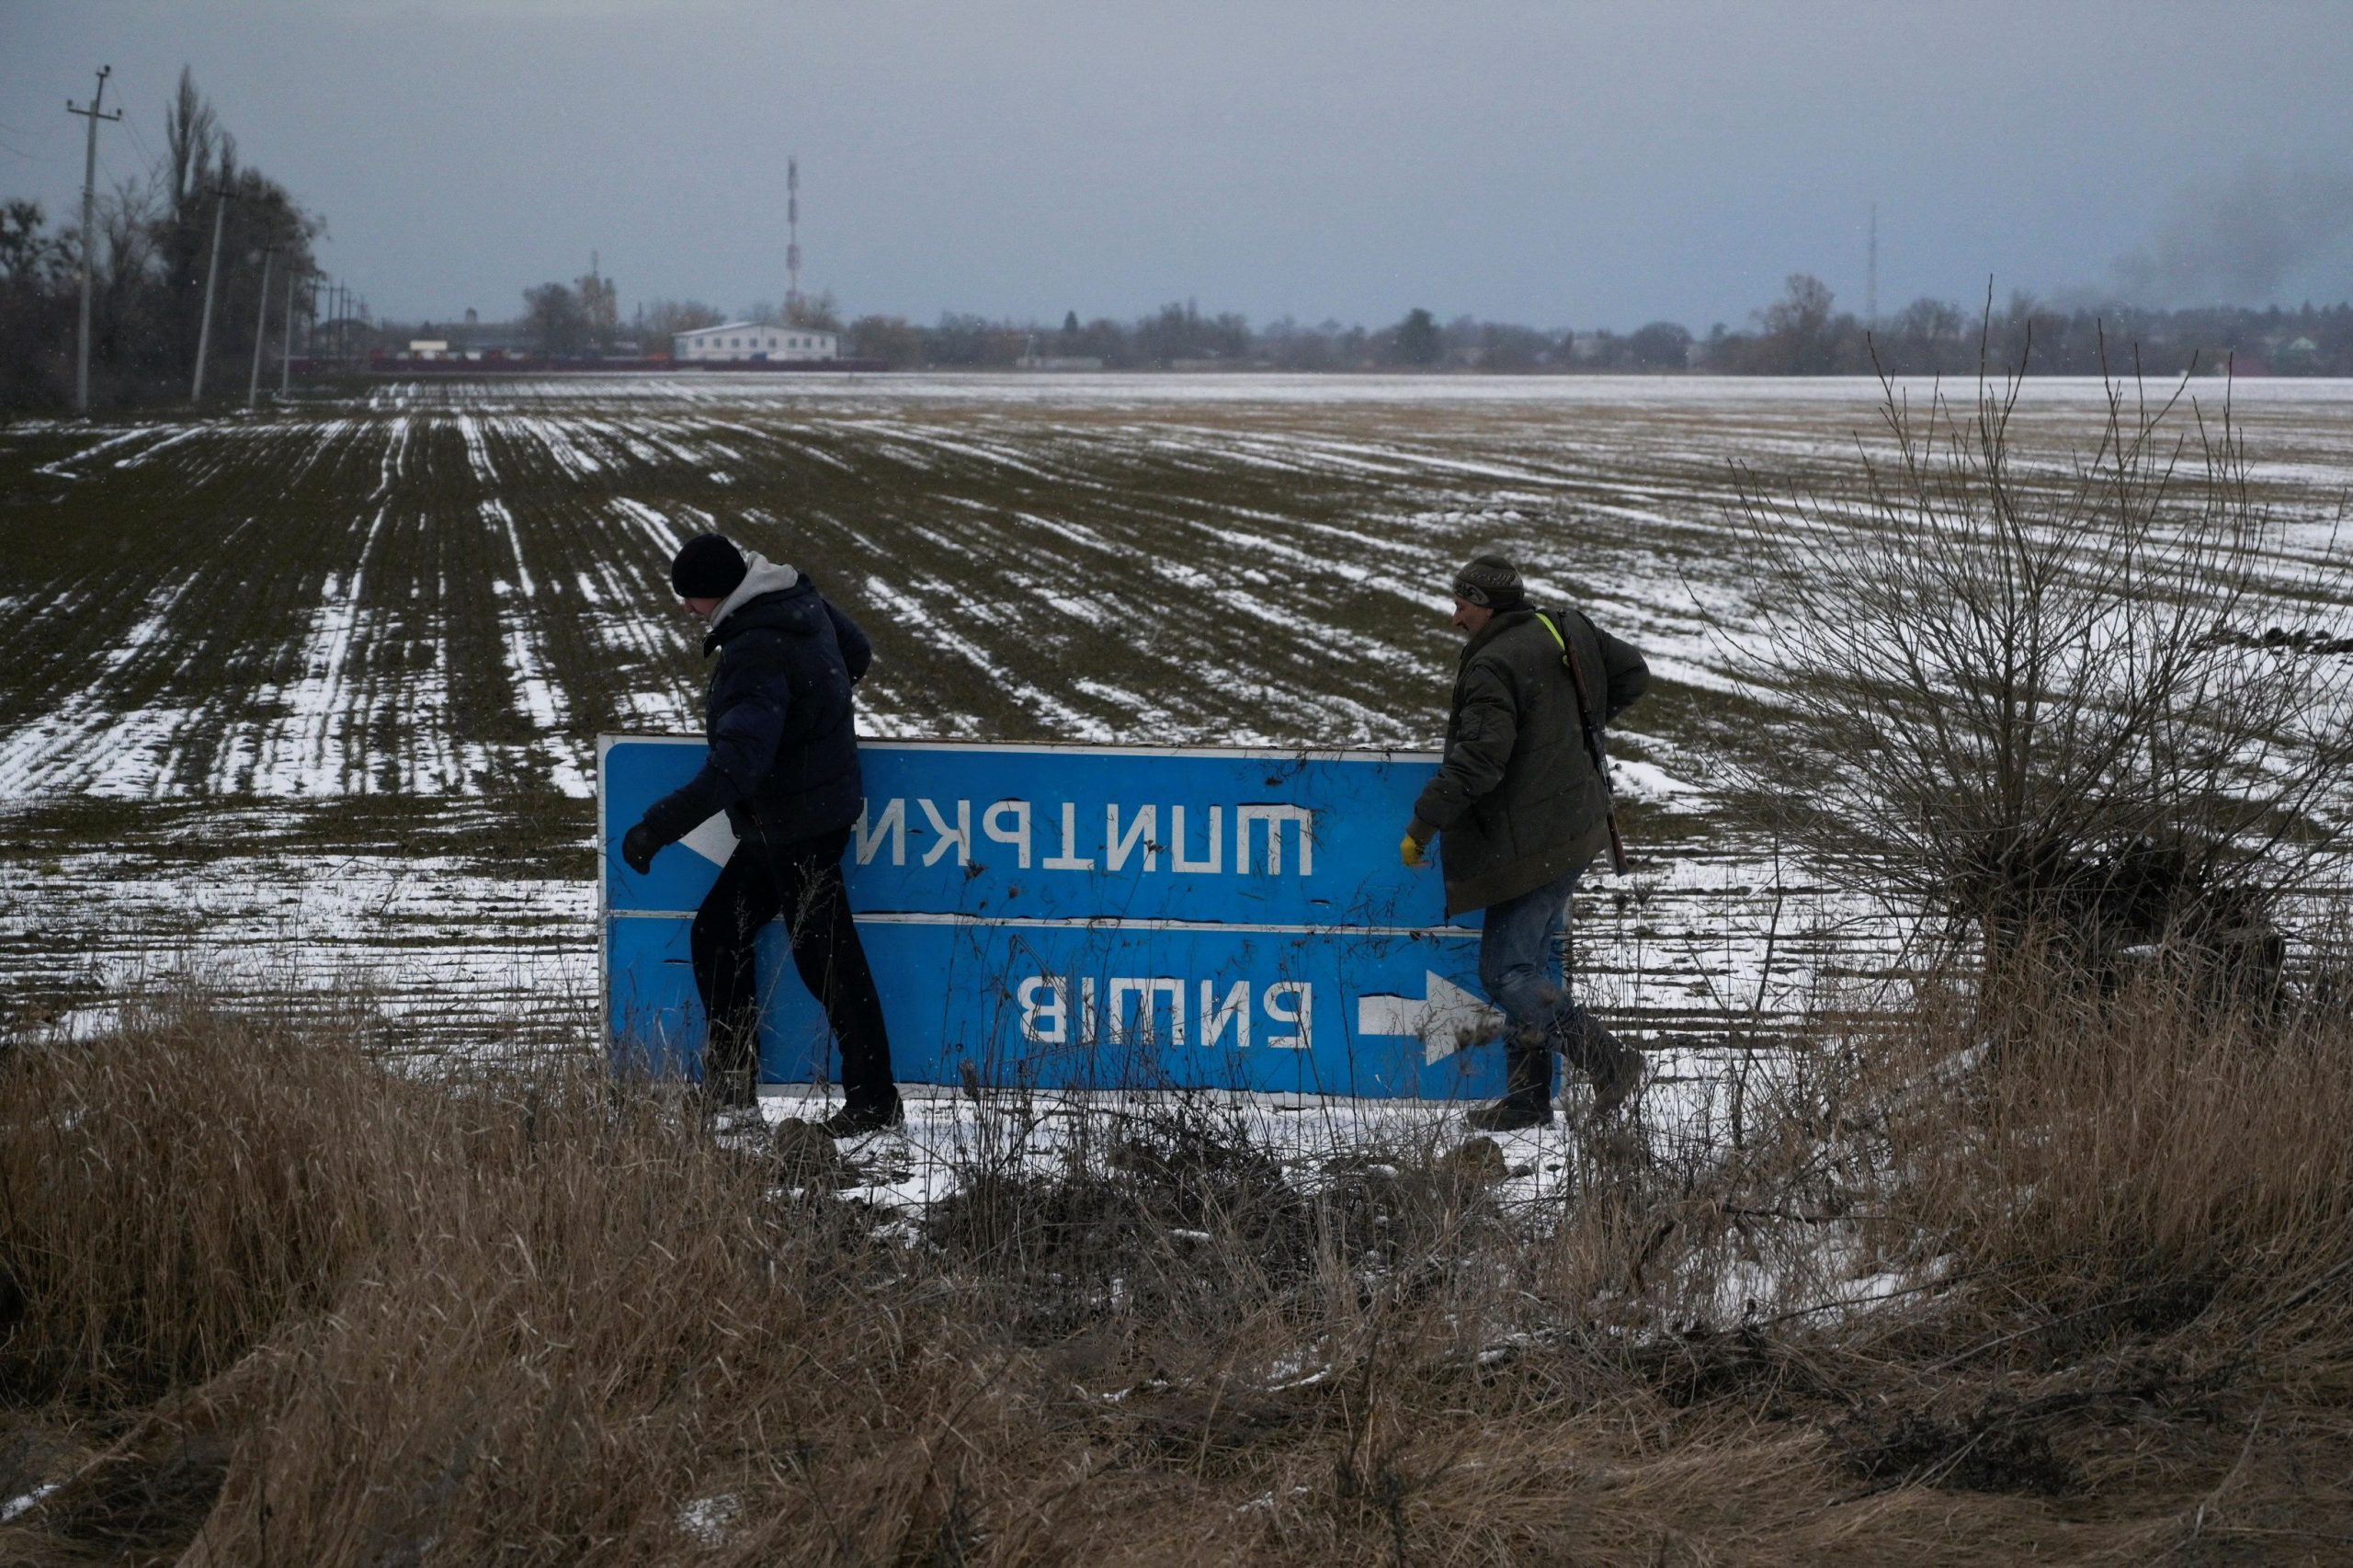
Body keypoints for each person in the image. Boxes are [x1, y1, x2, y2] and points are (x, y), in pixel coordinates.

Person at [620, 532, 902, 1137]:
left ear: (710, 595)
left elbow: (737, 765)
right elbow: (854, 652)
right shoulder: (797, 598)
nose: (687, 612)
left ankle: (873, 1104)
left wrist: (657, 828)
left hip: (796, 822)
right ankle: (731, 1094)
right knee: (724, 933)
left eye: (689, 600)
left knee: (826, 960)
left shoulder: (755, 650)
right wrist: (811, 723)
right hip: (799, 813)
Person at [1401, 553, 1650, 1132]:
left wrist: (1422, 825)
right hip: (1578, 820)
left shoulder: (1493, 665)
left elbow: (1480, 762)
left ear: (1485, 606)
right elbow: (1634, 672)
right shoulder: (1565, 627)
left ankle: (1612, 1062)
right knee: (1529, 968)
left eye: (1461, 604)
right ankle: (1527, 1100)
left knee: (1507, 973)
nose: (1454, 616)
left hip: (1534, 838)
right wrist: (1574, 737)